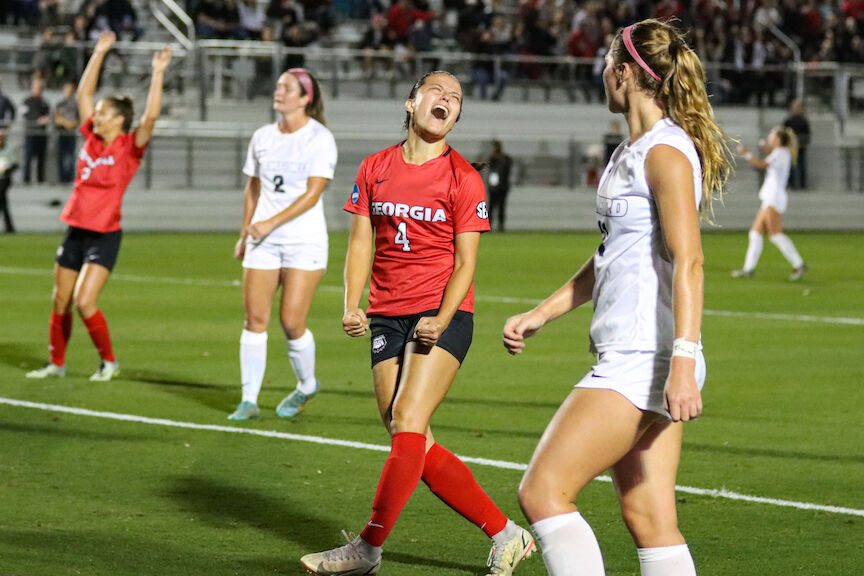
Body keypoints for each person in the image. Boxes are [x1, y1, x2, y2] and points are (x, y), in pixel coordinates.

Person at [502, 20, 733, 576]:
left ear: (625, 72)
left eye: (607, 65)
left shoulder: (665, 153)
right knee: (648, 516)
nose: (602, 75)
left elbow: (691, 260)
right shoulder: (629, 152)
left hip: (644, 359)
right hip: (640, 356)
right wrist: (543, 312)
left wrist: (681, 361)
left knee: (542, 491)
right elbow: (608, 257)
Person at [300, 71, 535, 576]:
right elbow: (361, 242)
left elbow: (466, 263)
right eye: (438, 91)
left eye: (456, 98)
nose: (447, 100)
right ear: (411, 102)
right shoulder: (374, 167)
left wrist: (442, 317)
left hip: (442, 314)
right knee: (409, 436)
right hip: (387, 311)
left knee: (406, 420)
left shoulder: (462, 178)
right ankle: (506, 533)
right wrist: (351, 303)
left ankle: (367, 547)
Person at [26, 32, 170, 381]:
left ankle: (108, 361)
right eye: (100, 112)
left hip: (104, 234)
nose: (98, 116)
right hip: (76, 227)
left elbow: (149, 118)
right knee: (59, 300)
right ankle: (56, 364)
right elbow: (84, 94)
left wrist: (158, 73)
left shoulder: (129, 147)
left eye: (105, 113)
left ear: (119, 120)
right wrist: (99, 52)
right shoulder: (91, 135)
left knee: (84, 301)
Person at [228, 68, 337, 421]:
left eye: (287, 88)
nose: (279, 92)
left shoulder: (319, 138)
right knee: (254, 320)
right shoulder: (262, 136)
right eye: (277, 86)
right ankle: (249, 400)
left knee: (291, 321)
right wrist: (246, 231)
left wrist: (269, 223)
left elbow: (313, 193)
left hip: (304, 241)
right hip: (263, 241)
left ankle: (307, 385)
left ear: (305, 98)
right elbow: (253, 189)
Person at [732, 126, 808, 281]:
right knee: (755, 233)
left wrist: (745, 154)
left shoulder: (780, 153)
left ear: (778, 140)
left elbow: (762, 165)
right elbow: (771, 162)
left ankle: (799, 264)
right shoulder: (780, 153)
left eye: (771, 136)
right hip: (771, 197)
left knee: (775, 235)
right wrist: (766, 149)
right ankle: (748, 269)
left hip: (774, 198)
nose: (769, 138)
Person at [21, 76, 51, 184]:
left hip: (41, 135)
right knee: (28, 157)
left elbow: (48, 116)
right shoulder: (27, 101)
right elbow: (25, 115)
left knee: (41, 158)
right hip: (30, 133)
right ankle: (26, 180)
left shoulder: (45, 103)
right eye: (37, 87)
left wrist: (46, 120)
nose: (38, 89)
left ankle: (40, 179)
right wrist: (37, 120)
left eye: (40, 88)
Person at [55, 81, 81, 184]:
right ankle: (62, 180)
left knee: (70, 158)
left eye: (70, 89)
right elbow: (57, 118)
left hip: (71, 135)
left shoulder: (77, 105)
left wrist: (70, 124)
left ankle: (69, 180)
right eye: (67, 89)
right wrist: (67, 124)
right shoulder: (60, 104)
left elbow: (79, 119)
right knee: (61, 157)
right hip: (61, 134)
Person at [783, 99, 810, 190]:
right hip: (790, 148)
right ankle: (791, 184)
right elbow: (784, 134)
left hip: (801, 147)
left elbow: (807, 134)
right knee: (790, 166)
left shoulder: (804, 121)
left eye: (799, 107)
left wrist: (801, 142)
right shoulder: (788, 121)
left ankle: (802, 185)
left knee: (801, 166)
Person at [486, 139, 513, 231]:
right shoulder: (497, 158)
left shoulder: (502, 158)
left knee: (498, 207)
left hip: (500, 187)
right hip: (498, 187)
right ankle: (492, 225)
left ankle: (499, 226)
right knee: (493, 207)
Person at [0, 130, 19, 233]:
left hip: (5, 178)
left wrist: (7, 169)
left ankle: (9, 227)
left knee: (1, 197)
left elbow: (15, 164)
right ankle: (9, 227)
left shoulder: (10, 149)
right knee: (3, 202)